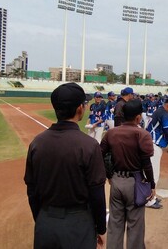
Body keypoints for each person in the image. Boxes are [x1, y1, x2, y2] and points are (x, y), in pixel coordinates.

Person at [24, 83, 107, 248]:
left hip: (45, 221)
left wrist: (41, 218)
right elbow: (97, 193)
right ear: (79, 109)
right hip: (78, 223)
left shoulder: (37, 143)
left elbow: (31, 190)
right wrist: (100, 228)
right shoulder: (89, 145)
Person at [100, 99, 155, 249]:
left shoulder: (111, 132)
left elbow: (100, 154)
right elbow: (146, 164)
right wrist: (151, 184)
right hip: (135, 181)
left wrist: (109, 175)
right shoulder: (142, 134)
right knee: (135, 225)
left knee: (115, 223)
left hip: (117, 180)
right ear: (138, 117)